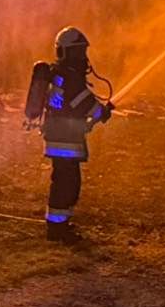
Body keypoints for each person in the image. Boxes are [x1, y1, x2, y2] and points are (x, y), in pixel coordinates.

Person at [24, 25, 114, 239]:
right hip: (65, 139)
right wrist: (102, 111)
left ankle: (60, 225)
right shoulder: (70, 78)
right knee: (67, 184)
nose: (81, 57)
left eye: (82, 51)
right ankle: (57, 229)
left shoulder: (60, 74)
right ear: (64, 52)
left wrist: (98, 112)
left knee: (65, 181)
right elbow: (84, 104)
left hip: (59, 136)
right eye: (76, 52)